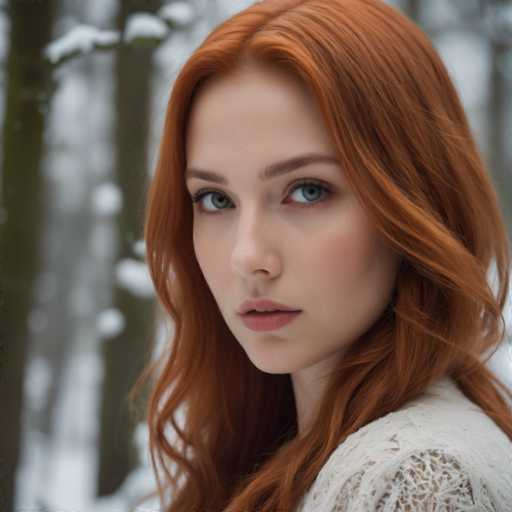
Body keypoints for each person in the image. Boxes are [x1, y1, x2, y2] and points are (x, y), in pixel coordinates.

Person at [133, 0, 512, 510]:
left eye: (307, 191)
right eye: (215, 199)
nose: (248, 257)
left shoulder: (411, 482)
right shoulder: (287, 443)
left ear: (416, 200)